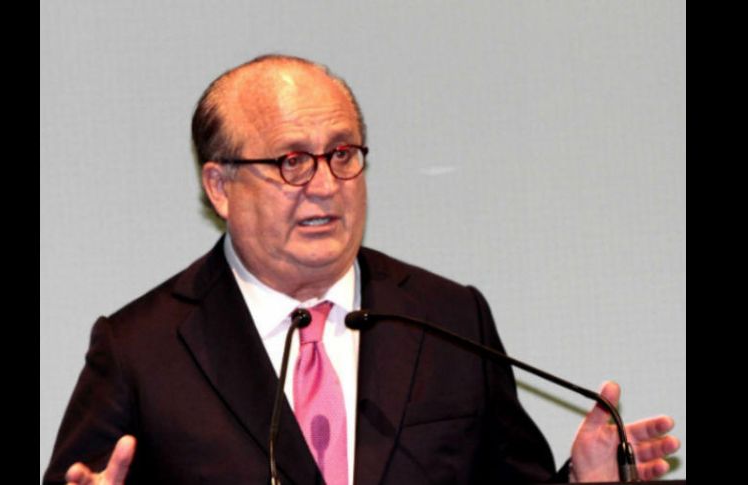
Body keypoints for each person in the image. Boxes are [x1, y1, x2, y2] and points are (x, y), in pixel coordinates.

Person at [43, 54, 679, 485]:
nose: (325, 186)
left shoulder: (449, 318)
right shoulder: (140, 349)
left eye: (342, 154)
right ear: (220, 186)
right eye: (292, 161)